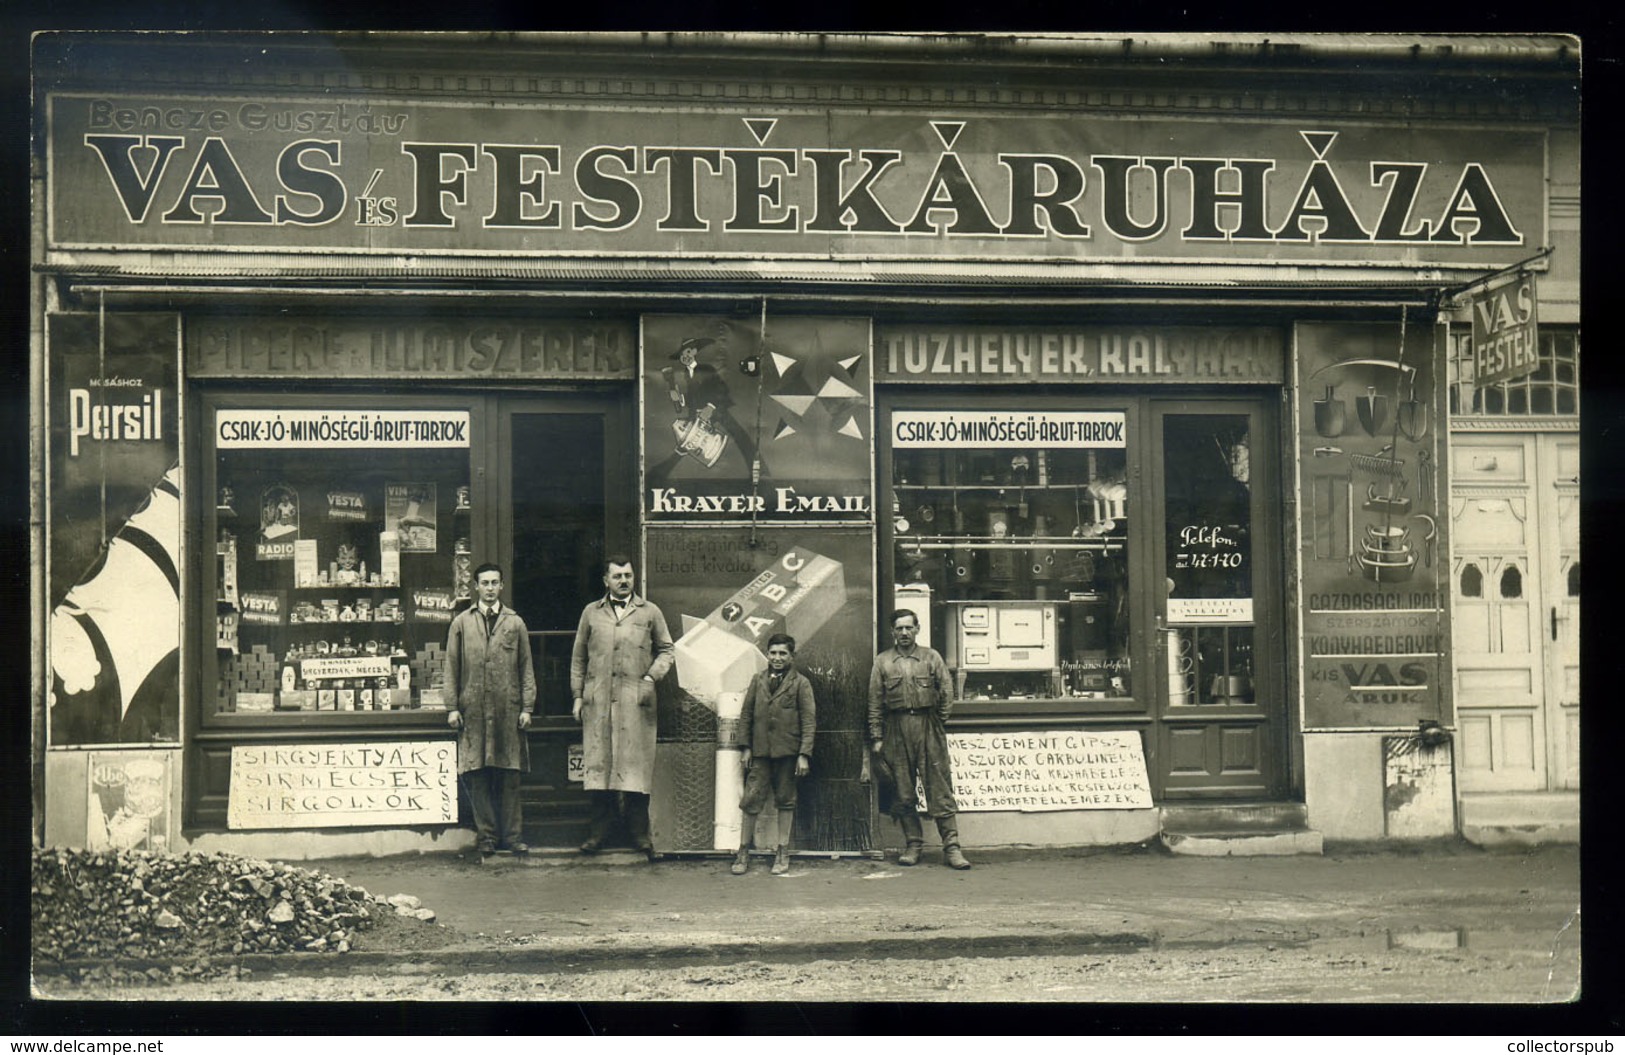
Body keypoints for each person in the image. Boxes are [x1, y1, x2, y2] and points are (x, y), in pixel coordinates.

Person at [571, 554, 675, 861]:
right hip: (599, 699)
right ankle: (598, 835)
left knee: (635, 768)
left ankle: (639, 836)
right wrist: (578, 695)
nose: (624, 581)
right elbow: (578, 658)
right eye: (617, 576)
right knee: (599, 767)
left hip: (635, 701)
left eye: (628, 575)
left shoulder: (650, 612)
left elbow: (667, 650)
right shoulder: (591, 613)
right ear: (606, 580)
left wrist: (650, 676)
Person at [868, 608, 971, 869]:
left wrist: (937, 722)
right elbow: (874, 703)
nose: (904, 633)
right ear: (892, 632)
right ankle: (913, 844)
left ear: (917, 629)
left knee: (939, 788)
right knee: (903, 791)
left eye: (908, 627)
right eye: (899, 628)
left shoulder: (931, 657)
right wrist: (877, 737)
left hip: (928, 727)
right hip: (896, 730)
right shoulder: (882, 662)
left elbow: (947, 692)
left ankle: (952, 847)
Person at [445, 562, 536, 858]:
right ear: (476, 587)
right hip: (472, 710)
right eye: (484, 583)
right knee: (478, 774)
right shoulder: (461, 623)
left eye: (495, 582)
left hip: (507, 711)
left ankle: (512, 837)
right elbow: (451, 667)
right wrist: (452, 707)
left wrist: (527, 707)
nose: (490, 588)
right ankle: (487, 837)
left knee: (509, 775)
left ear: (501, 586)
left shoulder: (515, 623)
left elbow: (526, 668)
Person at [732, 633, 816, 876]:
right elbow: (746, 715)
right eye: (773, 653)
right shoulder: (757, 680)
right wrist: (746, 747)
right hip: (760, 754)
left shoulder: (801, 684)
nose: (777, 658)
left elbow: (809, 721)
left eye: (783, 653)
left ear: (792, 656)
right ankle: (743, 851)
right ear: (767, 654)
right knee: (750, 801)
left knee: (785, 800)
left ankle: (782, 851)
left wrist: (803, 754)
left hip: (788, 754)